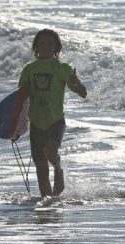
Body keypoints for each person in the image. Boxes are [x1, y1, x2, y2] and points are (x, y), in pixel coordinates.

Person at [18, 29, 87, 197]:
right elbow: (20, 100)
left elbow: (83, 93)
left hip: (55, 120)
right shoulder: (28, 70)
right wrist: (16, 128)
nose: (46, 46)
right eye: (42, 43)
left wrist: (75, 83)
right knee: (41, 169)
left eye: (50, 43)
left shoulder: (62, 68)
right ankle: (48, 207)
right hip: (36, 123)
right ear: (35, 47)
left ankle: (58, 169)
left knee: (50, 152)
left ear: (57, 47)